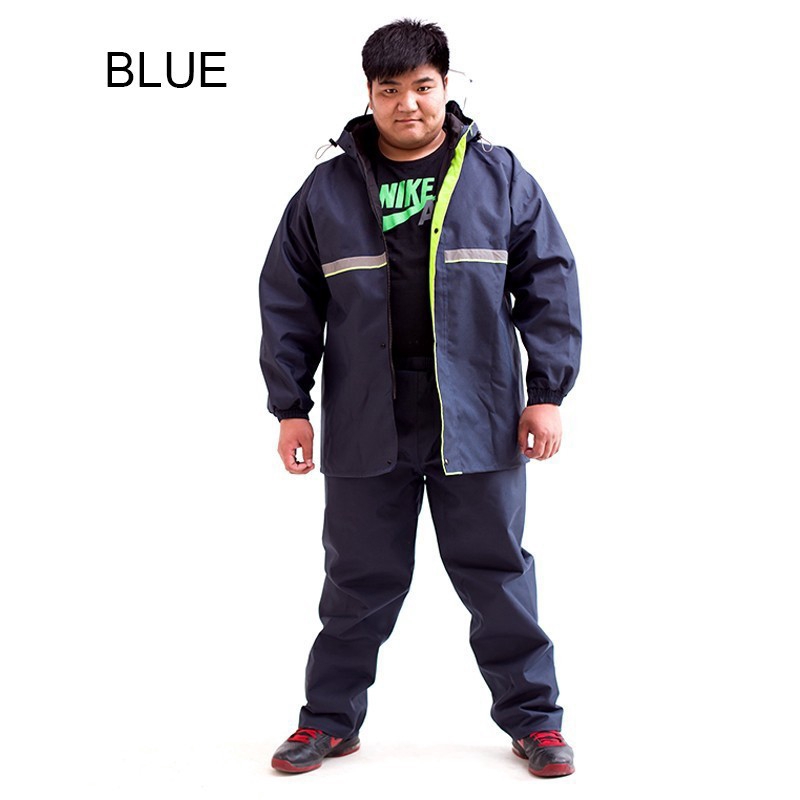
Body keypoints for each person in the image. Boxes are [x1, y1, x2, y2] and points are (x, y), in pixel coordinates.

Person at [258, 18, 582, 779]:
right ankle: (328, 721)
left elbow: (549, 285)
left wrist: (547, 392)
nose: (408, 104)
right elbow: (288, 301)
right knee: (356, 580)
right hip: (367, 415)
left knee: (498, 576)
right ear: (369, 95)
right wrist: (291, 407)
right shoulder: (327, 190)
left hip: (478, 412)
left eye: (423, 86)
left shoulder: (499, 177)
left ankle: (536, 724)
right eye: (390, 89)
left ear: (446, 86)